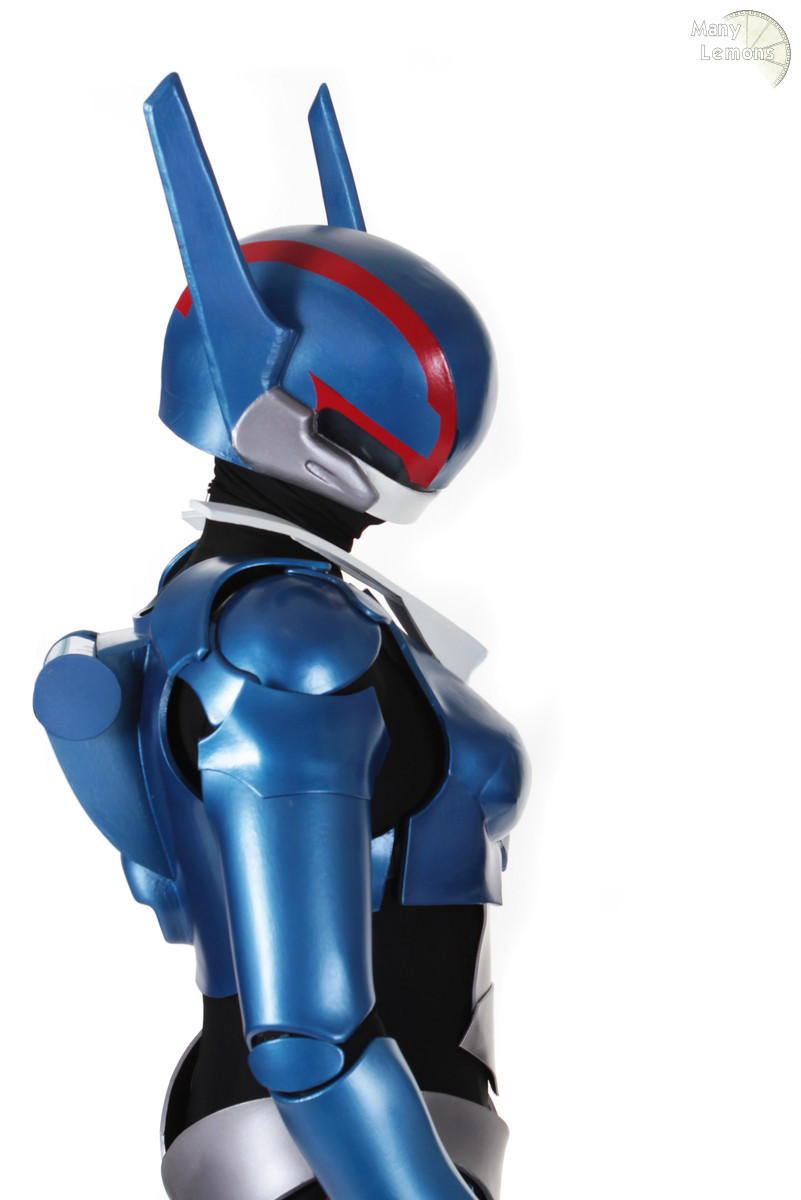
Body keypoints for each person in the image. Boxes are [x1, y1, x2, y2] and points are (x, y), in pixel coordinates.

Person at [33, 74, 528, 1200]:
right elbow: (308, 1041)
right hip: (333, 1159)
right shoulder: (283, 636)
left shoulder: (257, 603)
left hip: (373, 1145)